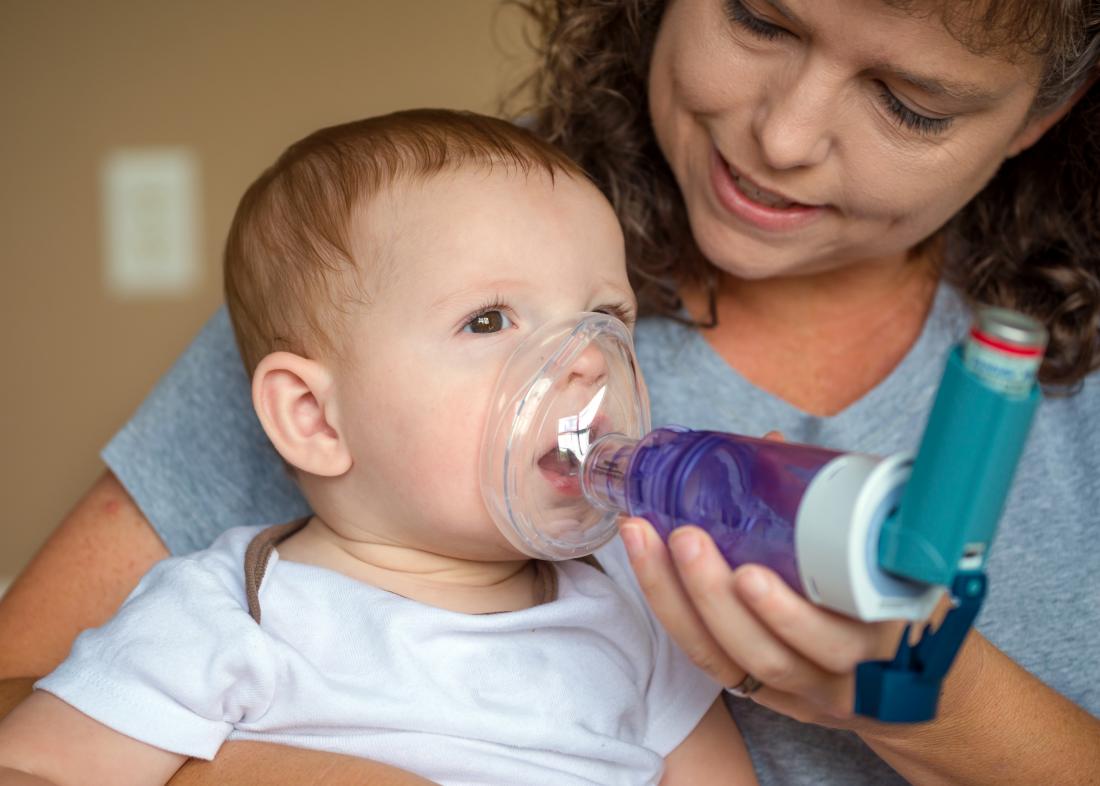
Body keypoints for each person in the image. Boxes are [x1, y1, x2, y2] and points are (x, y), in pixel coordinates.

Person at [1, 0, 1098, 783]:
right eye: (760, 22)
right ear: (312, 416)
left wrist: (940, 711)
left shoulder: (623, 618)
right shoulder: (227, 609)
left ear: (1042, 116)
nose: (781, 138)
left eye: (907, 100)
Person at [0, 110, 754, 785]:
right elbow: (29, 766)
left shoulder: (631, 603)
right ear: (315, 420)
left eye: (605, 314)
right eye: (489, 321)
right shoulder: (225, 617)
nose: (587, 358)